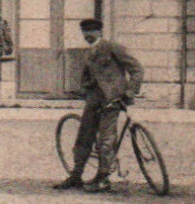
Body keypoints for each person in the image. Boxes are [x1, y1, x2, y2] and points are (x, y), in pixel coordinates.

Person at [56, 18, 145, 193]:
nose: (88, 35)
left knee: (106, 139)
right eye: (85, 32)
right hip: (93, 100)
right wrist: (83, 89)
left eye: (91, 31)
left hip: (112, 100)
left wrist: (130, 91)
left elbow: (137, 69)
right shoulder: (88, 52)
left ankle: (103, 178)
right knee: (84, 137)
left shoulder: (112, 47)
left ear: (100, 32)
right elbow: (87, 76)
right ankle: (76, 175)